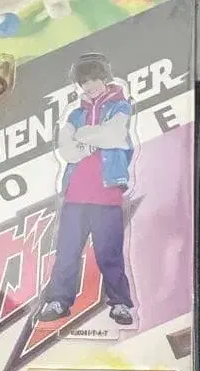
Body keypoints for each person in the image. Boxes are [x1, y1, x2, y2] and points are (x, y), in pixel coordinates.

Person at [39, 53, 136, 326]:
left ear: (104, 78)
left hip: (107, 196)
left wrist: (82, 137)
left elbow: (114, 135)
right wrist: (93, 140)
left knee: (109, 254)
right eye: (84, 82)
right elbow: (66, 150)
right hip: (75, 196)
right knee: (66, 252)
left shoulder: (120, 106)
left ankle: (120, 304)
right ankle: (58, 301)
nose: (90, 86)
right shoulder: (76, 113)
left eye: (94, 79)